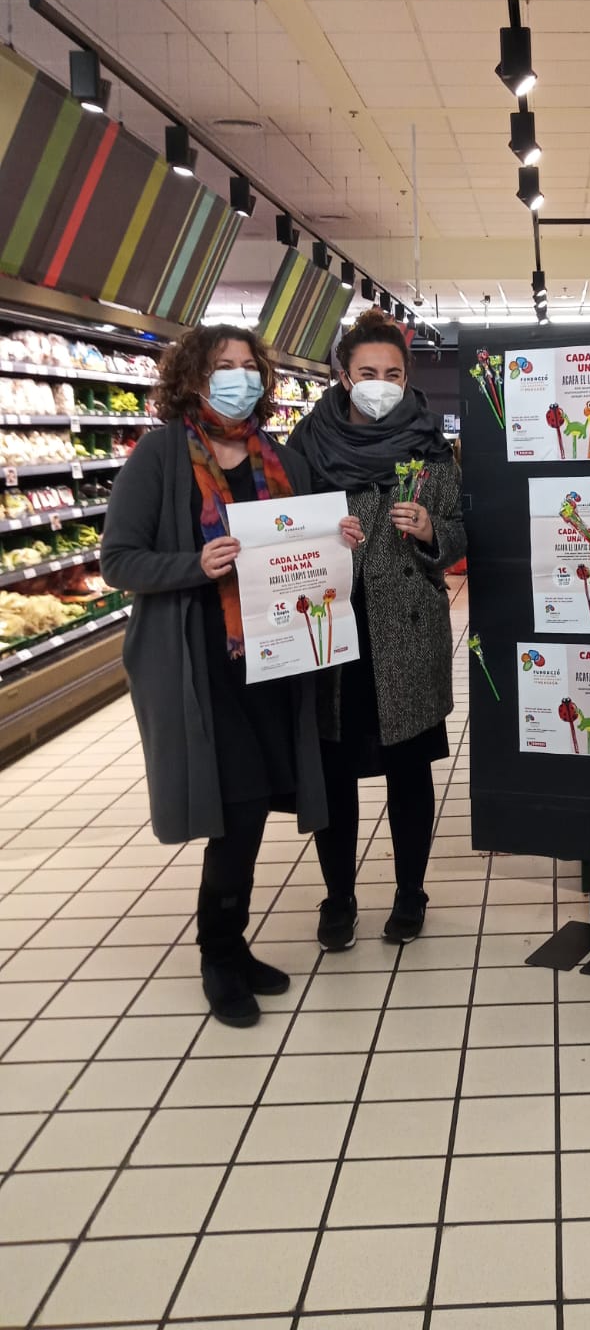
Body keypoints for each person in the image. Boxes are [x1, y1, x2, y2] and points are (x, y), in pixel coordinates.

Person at [101, 325, 359, 1027]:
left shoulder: (280, 458)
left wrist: (337, 540)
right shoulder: (160, 456)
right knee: (237, 810)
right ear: (192, 377)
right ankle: (219, 954)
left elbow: (304, 542)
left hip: (275, 660)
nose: (239, 377)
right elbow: (118, 560)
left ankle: (231, 947)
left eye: (249, 366)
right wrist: (196, 564)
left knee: (251, 805)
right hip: (202, 665)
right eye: (223, 366)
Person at [288, 309, 466, 951]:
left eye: (393, 373)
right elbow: (279, 529)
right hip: (328, 630)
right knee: (333, 773)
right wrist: (318, 536)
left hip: (406, 631)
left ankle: (410, 892)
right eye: (368, 373)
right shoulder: (306, 445)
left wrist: (432, 532)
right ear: (343, 376)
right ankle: (338, 897)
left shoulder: (429, 445)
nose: (381, 385)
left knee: (409, 771)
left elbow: (459, 530)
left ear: (407, 376)